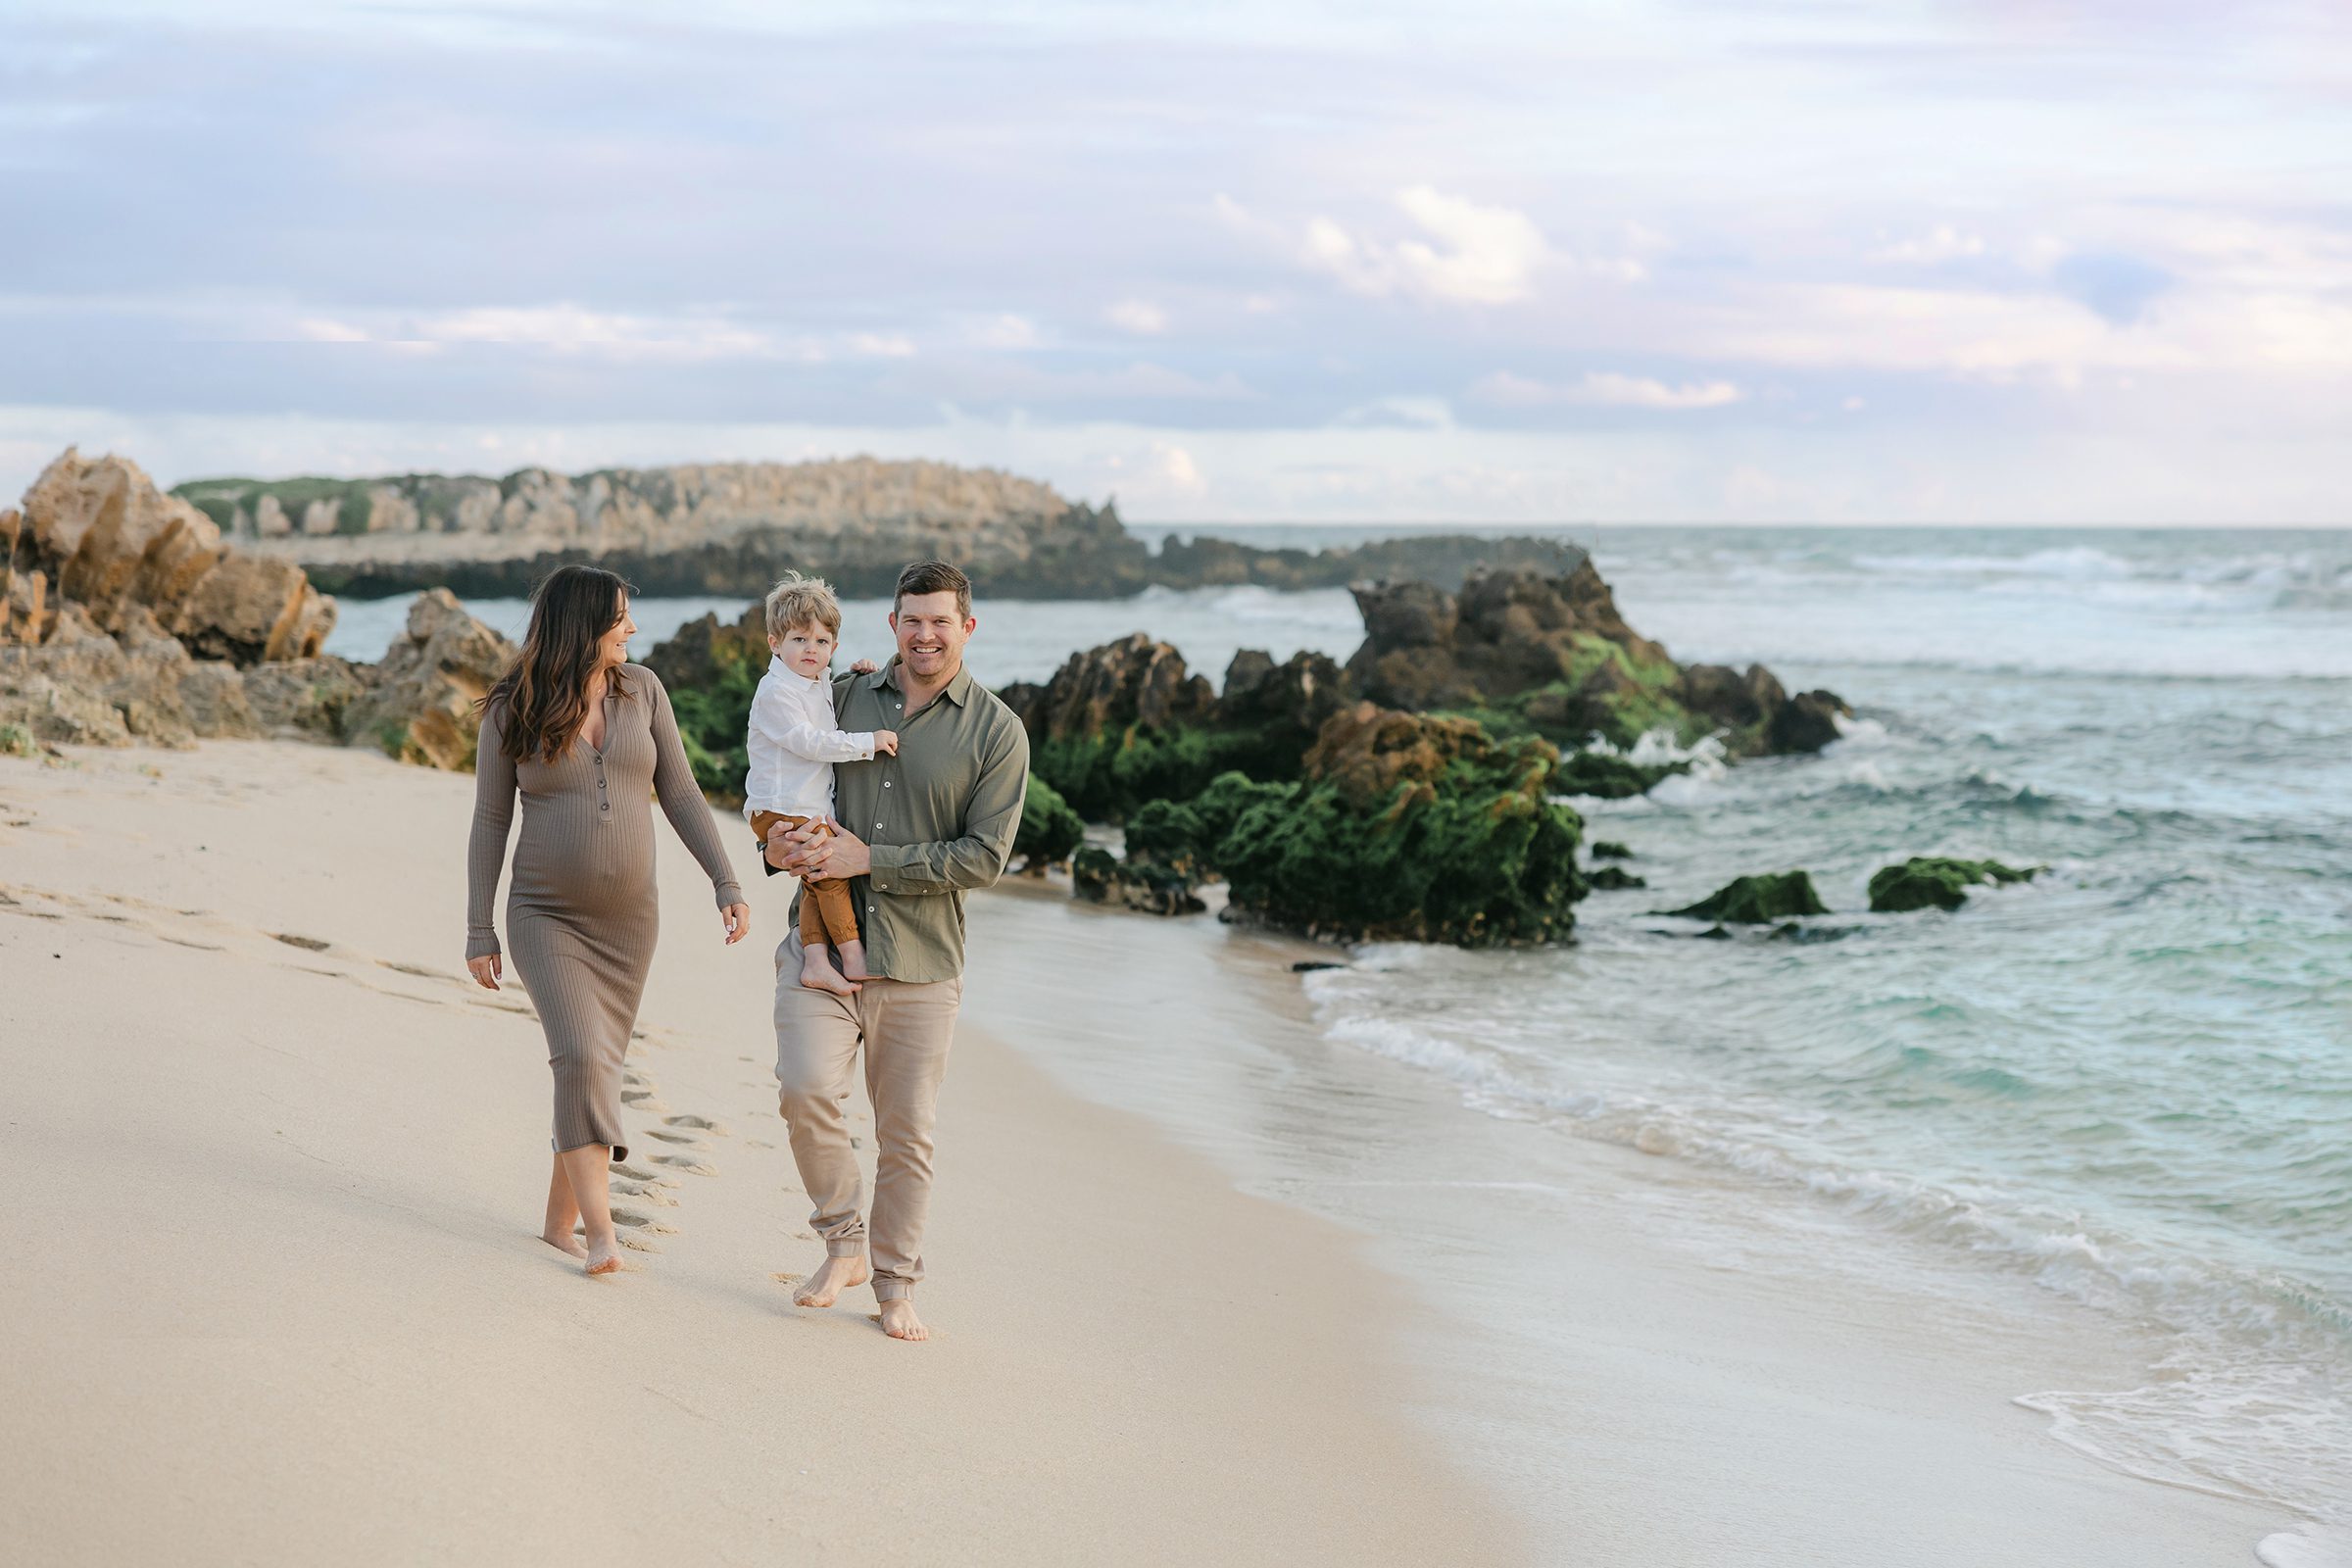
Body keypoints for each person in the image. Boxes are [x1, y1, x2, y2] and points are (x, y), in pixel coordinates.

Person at [765, 560, 1029, 1340]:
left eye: (941, 620)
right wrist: (776, 842)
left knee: (906, 1134)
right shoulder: (839, 694)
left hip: (920, 966)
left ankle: (895, 1284)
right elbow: (785, 768)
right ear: (892, 625)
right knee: (805, 1090)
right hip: (818, 943)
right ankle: (843, 1241)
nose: (925, 634)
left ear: (967, 627)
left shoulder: (996, 731)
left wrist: (873, 861)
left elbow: (984, 858)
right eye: (912, 619)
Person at [465, 565, 752, 1277]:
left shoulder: (643, 690)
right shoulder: (513, 706)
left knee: (596, 1069)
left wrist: (726, 880)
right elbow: (490, 820)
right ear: (582, 624)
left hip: (630, 924)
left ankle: (556, 1223)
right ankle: (603, 1235)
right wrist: (480, 927)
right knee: (582, 1059)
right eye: (619, 617)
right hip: (544, 916)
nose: (630, 629)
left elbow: (681, 791)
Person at [741, 571, 899, 997]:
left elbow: (825, 694)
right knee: (829, 872)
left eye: (822, 642)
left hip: (802, 805)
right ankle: (851, 957)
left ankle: (814, 962)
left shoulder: (814, 679)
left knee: (813, 881)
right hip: (780, 805)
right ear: (775, 643)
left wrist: (854, 673)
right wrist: (870, 743)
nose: (811, 650)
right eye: (799, 640)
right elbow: (809, 742)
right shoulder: (776, 692)